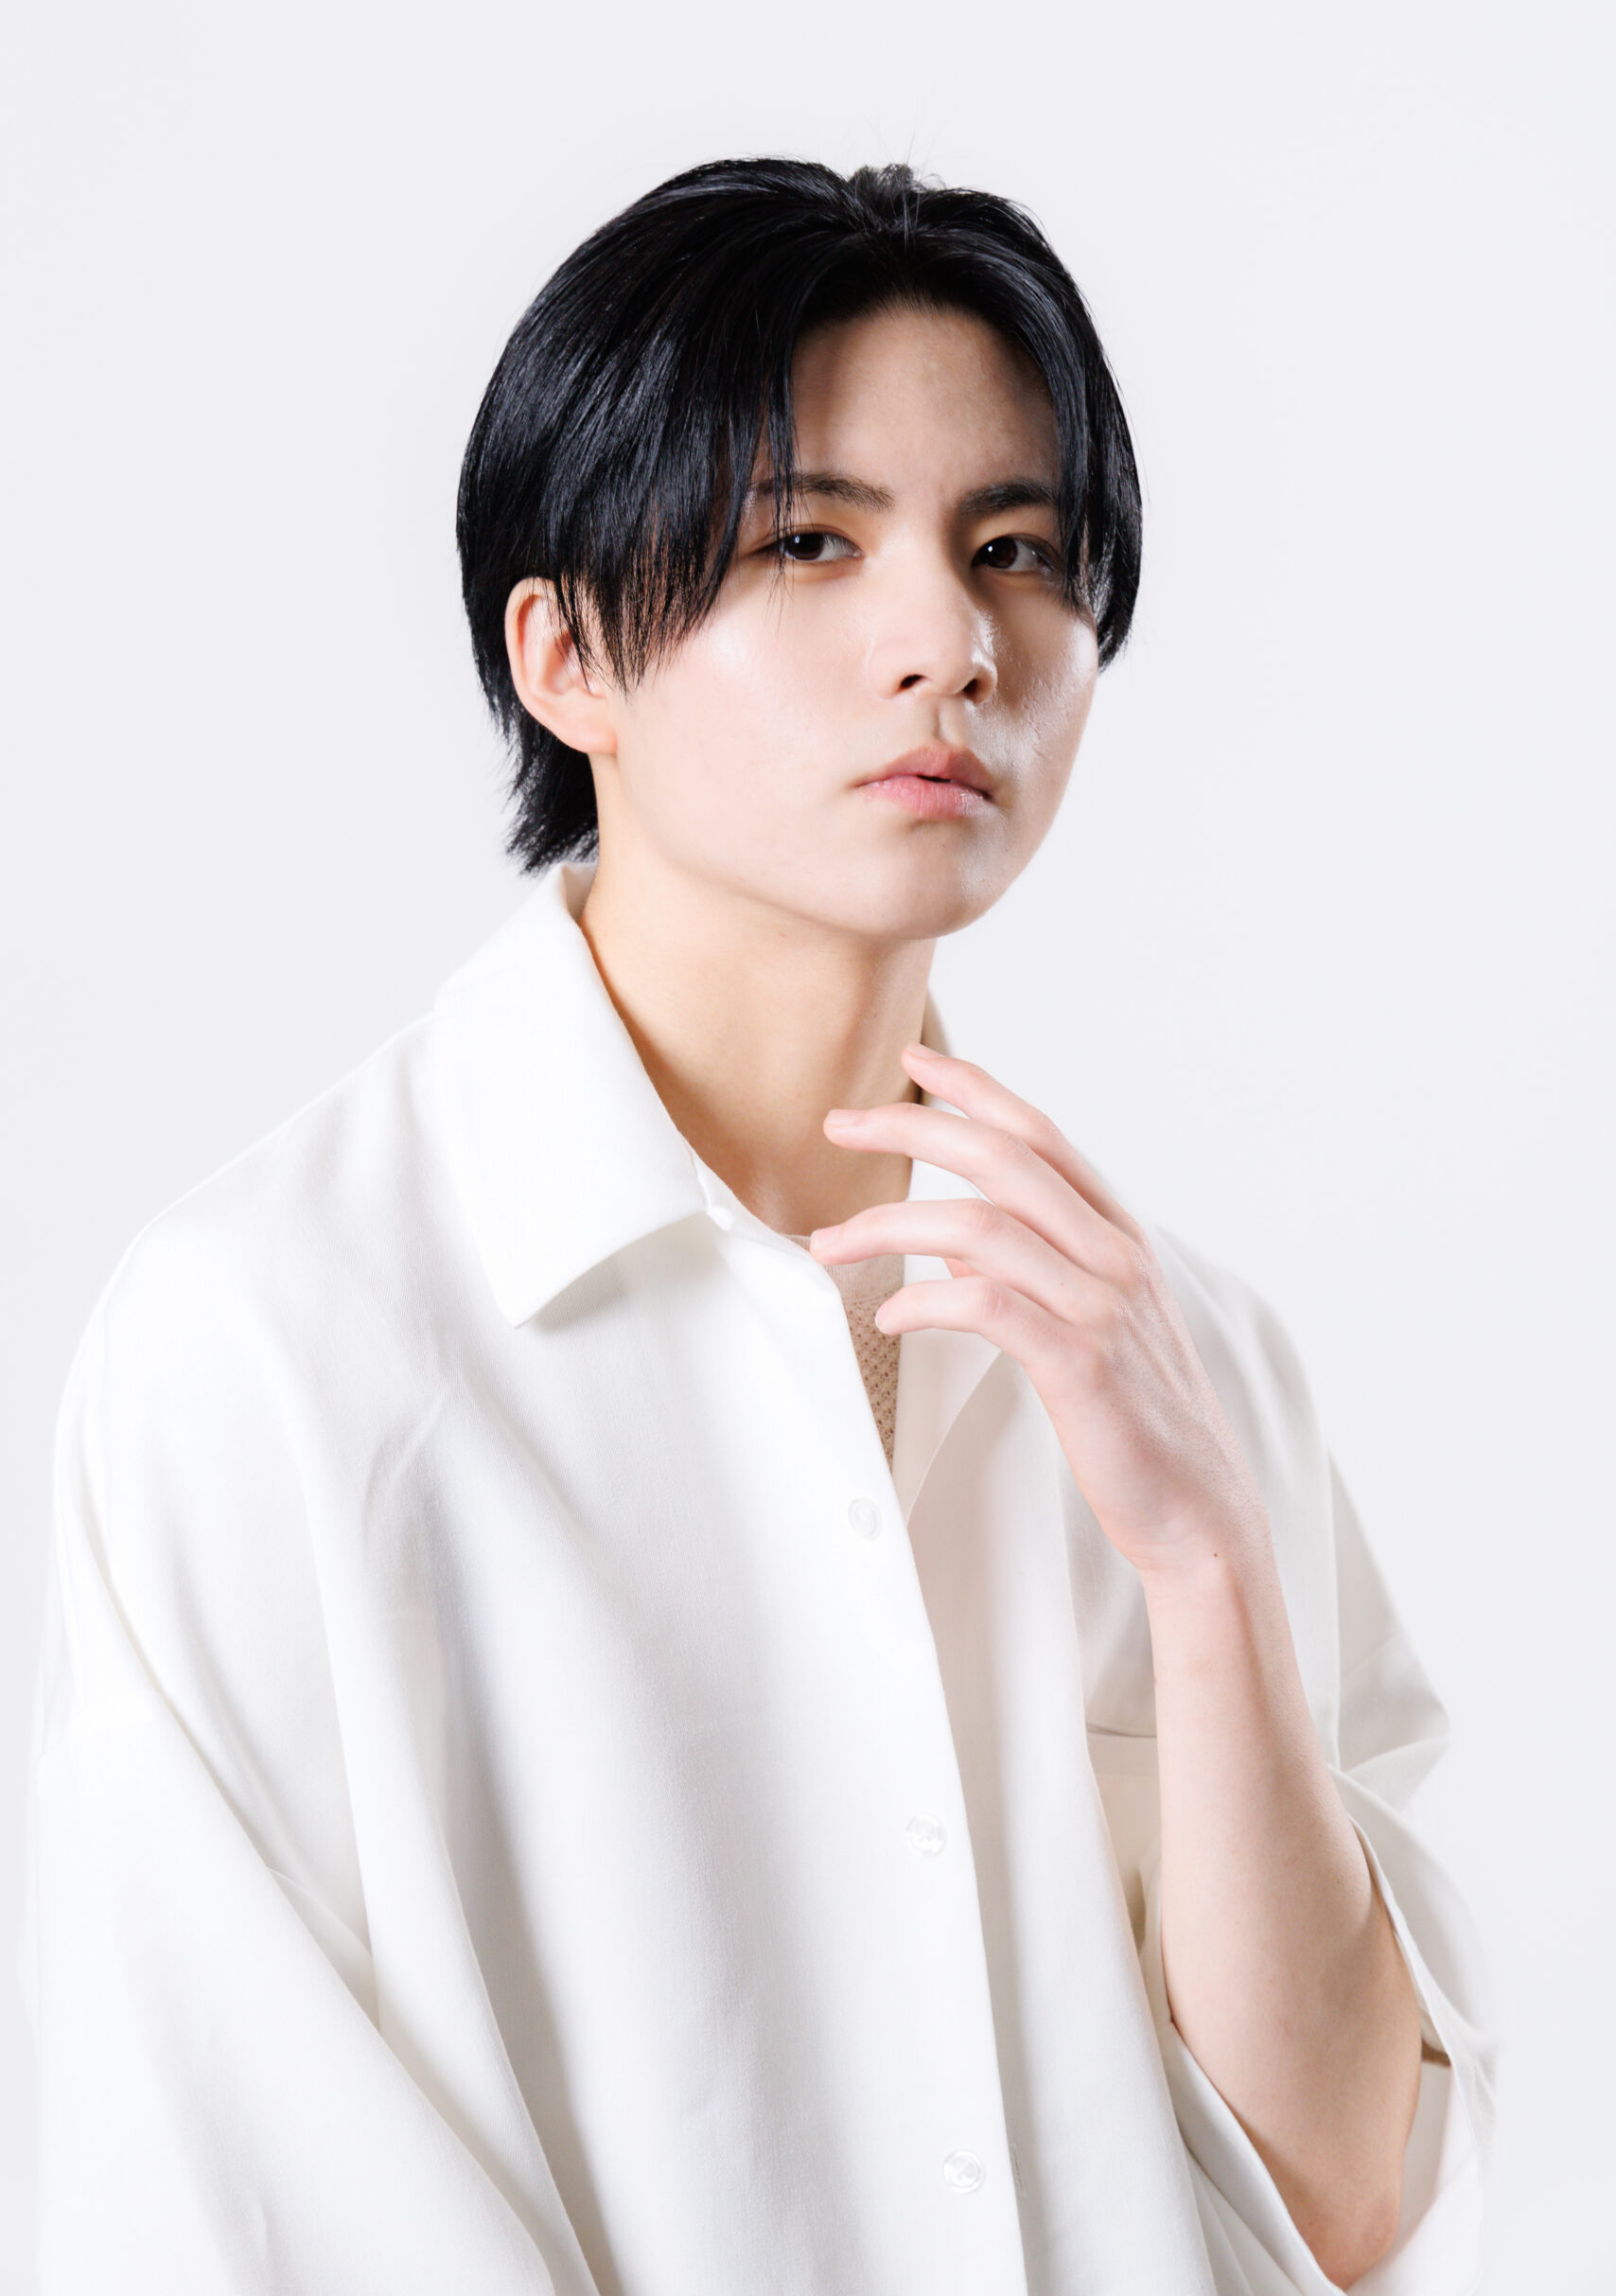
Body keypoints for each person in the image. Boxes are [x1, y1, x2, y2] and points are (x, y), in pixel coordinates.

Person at [21, 158, 1493, 2295]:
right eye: (810, 541)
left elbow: (1357, 2204)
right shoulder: (271, 1346)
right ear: (564, 654)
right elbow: (242, 2201)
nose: (949, 644)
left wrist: (1203, 1567)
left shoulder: (1185, 1357)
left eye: (1016, 551)